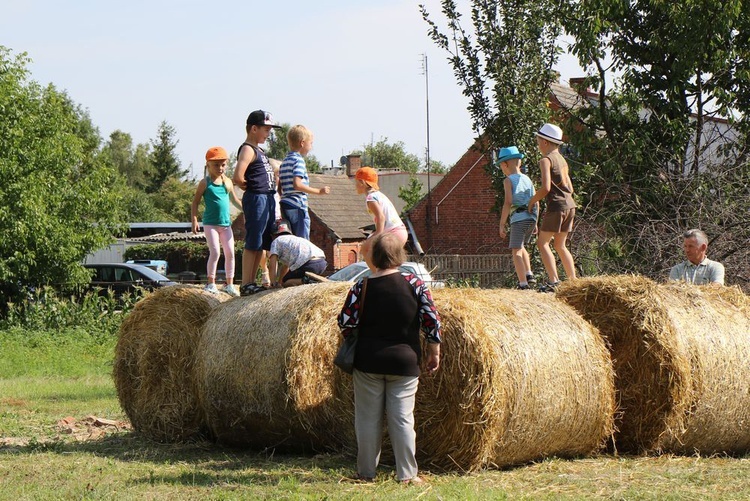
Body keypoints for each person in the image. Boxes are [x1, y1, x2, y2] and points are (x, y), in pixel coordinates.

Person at [337, 232, 442, 484]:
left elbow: (345, 322)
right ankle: (407, 475)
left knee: (367, 419)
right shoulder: (415, 284)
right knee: (403, 419)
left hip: (367, 361)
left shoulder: (361, 286)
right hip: (404, 362)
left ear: (374, 256)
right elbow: (431, 320)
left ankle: (365, 473)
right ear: (399, 255)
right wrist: (433, 350)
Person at [232, 110, 281, 296]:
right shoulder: (247, 149)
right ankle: (246, 283)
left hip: (267, 198)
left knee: (260, 241)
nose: (268, 134)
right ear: (254, 128)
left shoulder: (260, 150)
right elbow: (238, 176)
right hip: (257, 198)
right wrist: (252, 189)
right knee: (253, 241)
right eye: (266, 129)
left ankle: (252, 282)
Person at [527, 123, 577, 292]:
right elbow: (570, 187)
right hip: (570, 205)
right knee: (560, 245)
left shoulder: (545, 160)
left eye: (538, 140)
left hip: (556, 206)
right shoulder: (562, 160)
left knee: (542, 243)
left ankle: (554, 281)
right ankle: (574, 281)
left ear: (545, 142)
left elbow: (546, 188)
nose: (537, 144)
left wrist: (532, 201)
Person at [191, 146, 243, 297]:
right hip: (210, 224)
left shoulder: (227, 182)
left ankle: (229, 284)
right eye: (216, 165)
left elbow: (235, 200)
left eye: (223, 164)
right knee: (215, 252)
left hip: (226, 225)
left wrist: (247, 211)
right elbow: (195, 202)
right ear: (208, 165)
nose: (220, 168)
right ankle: (211, 282)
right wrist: (194, 220)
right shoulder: (205, 183)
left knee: (230, 253)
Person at [497, 146, 539, 290]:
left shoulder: (508, 181)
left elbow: (508, 202)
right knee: (521, 246)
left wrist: (502, 224)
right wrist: (536, 221)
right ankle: (529, 274)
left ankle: (523, 284)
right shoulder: (527, 179)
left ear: (505, 164)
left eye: (501, 165)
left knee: (516, 250)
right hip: (532, 217)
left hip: (518, 218)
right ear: (519, 162)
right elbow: (536, 200)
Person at [279, 125, 330, 239]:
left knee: (291, 238)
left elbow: (280, 185)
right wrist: (318, 191)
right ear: (302, 143)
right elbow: (297, 184)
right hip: (298, 204)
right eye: (311, 143)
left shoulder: (284, 162)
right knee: (302, 240)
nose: (311, 147)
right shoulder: (299, 161)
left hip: (286, 204)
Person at [354, 167, 408, 270]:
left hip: (393, 232)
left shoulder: (370, 199)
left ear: (363, 183)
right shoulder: (379, 195)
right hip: (400, 231)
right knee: (388, 262)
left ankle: (377, 276)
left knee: (365, 249)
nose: (355, 185)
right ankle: (389, 278)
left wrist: (378, 234)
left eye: (356, 182)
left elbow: (381, 217)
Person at [266, 219, 328, 288]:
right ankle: (312, 280)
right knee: (286, 280)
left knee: (286, 282)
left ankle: (307, 281)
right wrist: (280, 282)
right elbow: (285, 267)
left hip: (307, 264)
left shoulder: (276, 241)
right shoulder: (295, 239)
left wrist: (273, 283)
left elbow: (272, 265)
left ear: (272, 235)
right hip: (321, 263)